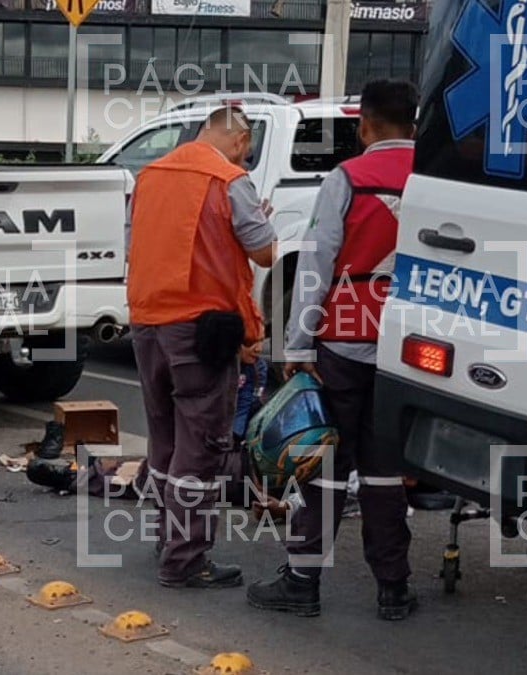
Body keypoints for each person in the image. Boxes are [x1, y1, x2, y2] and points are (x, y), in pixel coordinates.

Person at [246, 79, 420, 620]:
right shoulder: (437, 179)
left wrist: (299, 343)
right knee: (385, 468)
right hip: (412, 340)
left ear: (365, 126)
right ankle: (393, 588)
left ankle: (303, 581)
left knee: (324, 461)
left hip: (345, 333)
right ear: (414, 125)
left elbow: (316, 265)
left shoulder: (348, 177)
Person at [127, 106, 277, 589]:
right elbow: (265, 251)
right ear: (239, 140)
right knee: (202, 445)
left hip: (148, 323)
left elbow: (142, 244)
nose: (246, 159)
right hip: (201, 331)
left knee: (165, 440)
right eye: (247, 151)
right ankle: (186, 559)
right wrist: (259, 221)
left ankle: (165, 540)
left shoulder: (150, 175)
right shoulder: (230, 180)